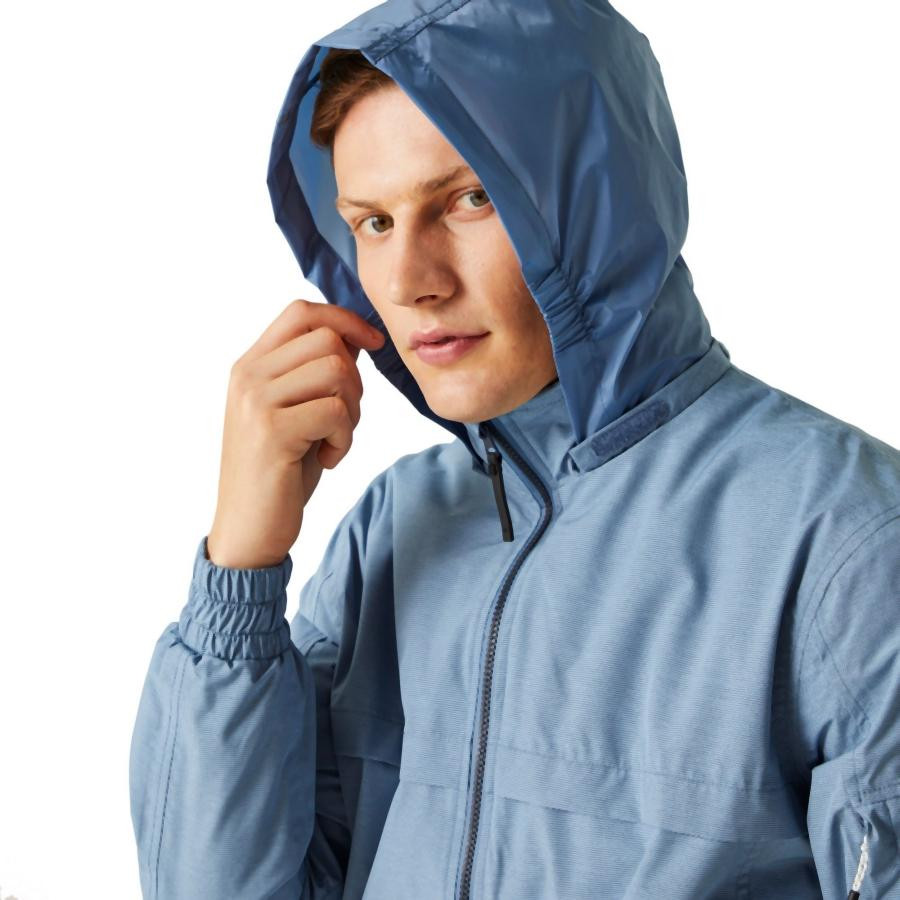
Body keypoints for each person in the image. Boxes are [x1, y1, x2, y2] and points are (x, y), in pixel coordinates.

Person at [128, 1, 900, 897]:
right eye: (374, 223)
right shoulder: (394, 528)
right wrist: (241, 568)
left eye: (471, 199)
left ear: (596, 204)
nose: (409, 283)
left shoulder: (846, 539)